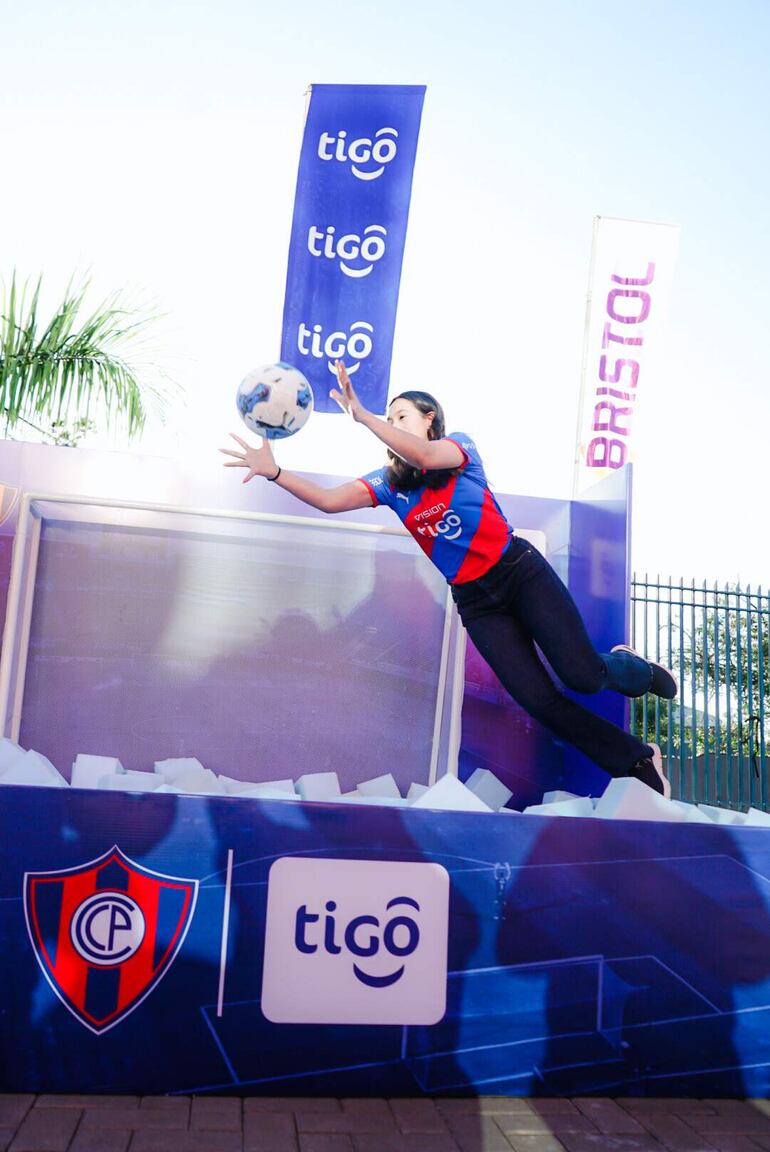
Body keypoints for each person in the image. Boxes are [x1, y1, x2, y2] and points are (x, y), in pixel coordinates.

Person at [221, 361, 676, 796]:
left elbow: (421, 453)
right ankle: (634, 760)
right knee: (539, 701)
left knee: (583, 675)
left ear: (429, 419)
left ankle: (632, 669)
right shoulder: (389, 483)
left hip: (519, 572)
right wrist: (275, 472)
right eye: (389, 418)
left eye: (401, 415)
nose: (393, 423)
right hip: (478, 603)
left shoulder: (458, 449)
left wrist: (362, 416)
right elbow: (327, 500)